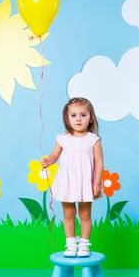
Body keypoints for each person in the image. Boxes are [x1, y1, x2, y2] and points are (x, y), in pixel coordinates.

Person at [42, 97, 104, 257]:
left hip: (85, 183)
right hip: (67, 182)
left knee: (85, 215)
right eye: (74, 115)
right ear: (67, 118)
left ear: (90, 118)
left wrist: (97, 184)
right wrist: (49, 160)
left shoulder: (94, 140)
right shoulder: (62, 138)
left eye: (83, 115)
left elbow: (99, 164)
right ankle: (70, 244)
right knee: (68, 214)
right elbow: (55, 155)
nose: (78, 119)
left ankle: (84, 244)